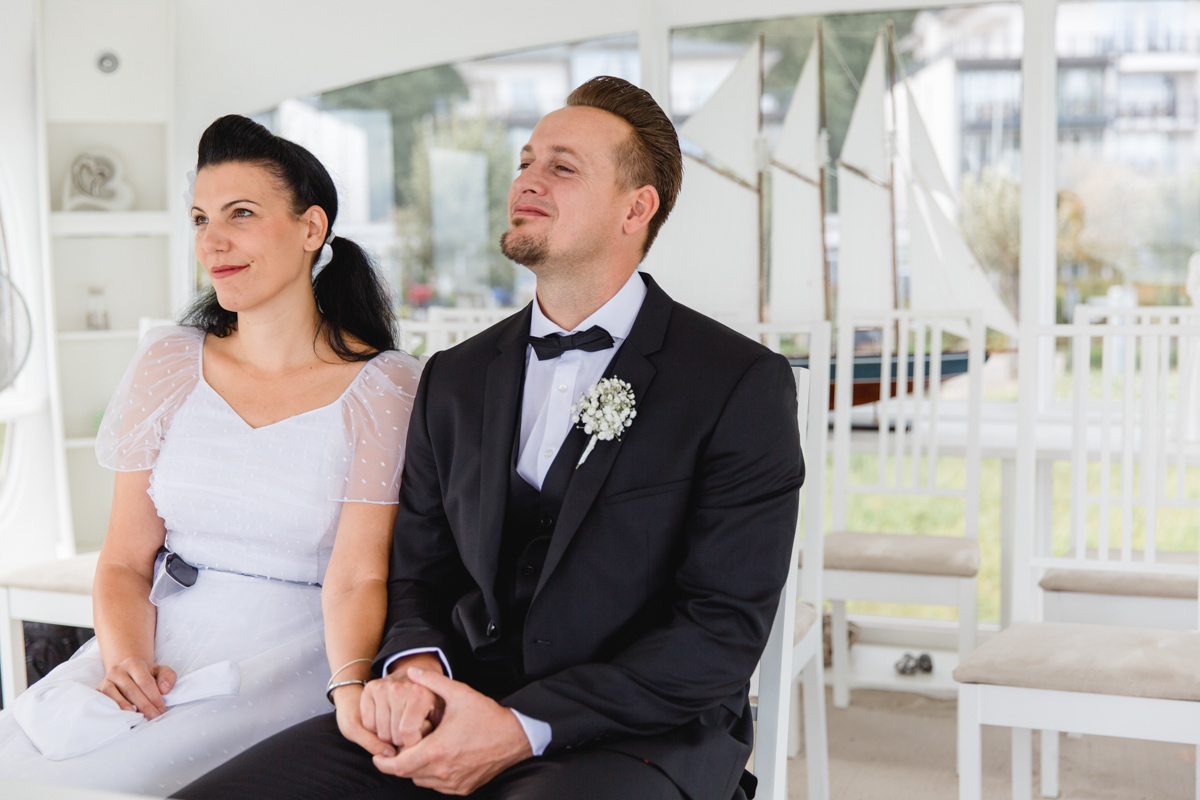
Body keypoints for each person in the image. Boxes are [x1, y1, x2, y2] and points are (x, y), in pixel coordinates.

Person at [178, 76, 802, 800]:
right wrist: (417, 672)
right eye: (526, 162)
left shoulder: (737, 383)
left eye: (562, 168)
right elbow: (418, 574)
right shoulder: (454, 376)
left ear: (637, 207)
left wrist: (519, 726)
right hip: (448, 710)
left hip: (639, 739)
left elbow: (717, 635)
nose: (529, 180)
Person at [0, 115, 420, 795]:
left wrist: (349, 693)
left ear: (312, 230)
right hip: (162, 633)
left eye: (241, 214)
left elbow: (357, 580)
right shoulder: (169, 362)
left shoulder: (386, 386)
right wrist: (128, 661)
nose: (212, 241)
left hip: (293, 651)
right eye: (199, 218)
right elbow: (125, 561)